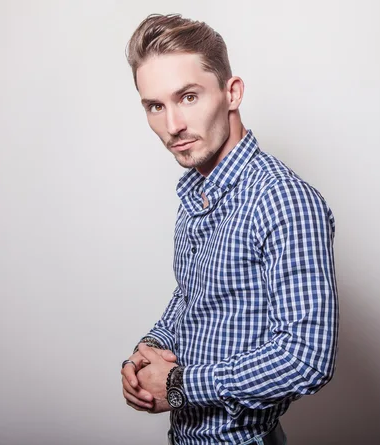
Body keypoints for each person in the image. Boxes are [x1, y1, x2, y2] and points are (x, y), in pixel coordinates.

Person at [120, 13, 338, 445]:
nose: (172, 126)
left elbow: (308, 357)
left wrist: (181, 385)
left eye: (188, 97)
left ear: (231, 92)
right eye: (155, 106)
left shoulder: (282, 199)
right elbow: (194, 295)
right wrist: (148, 350)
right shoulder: (197, 194)